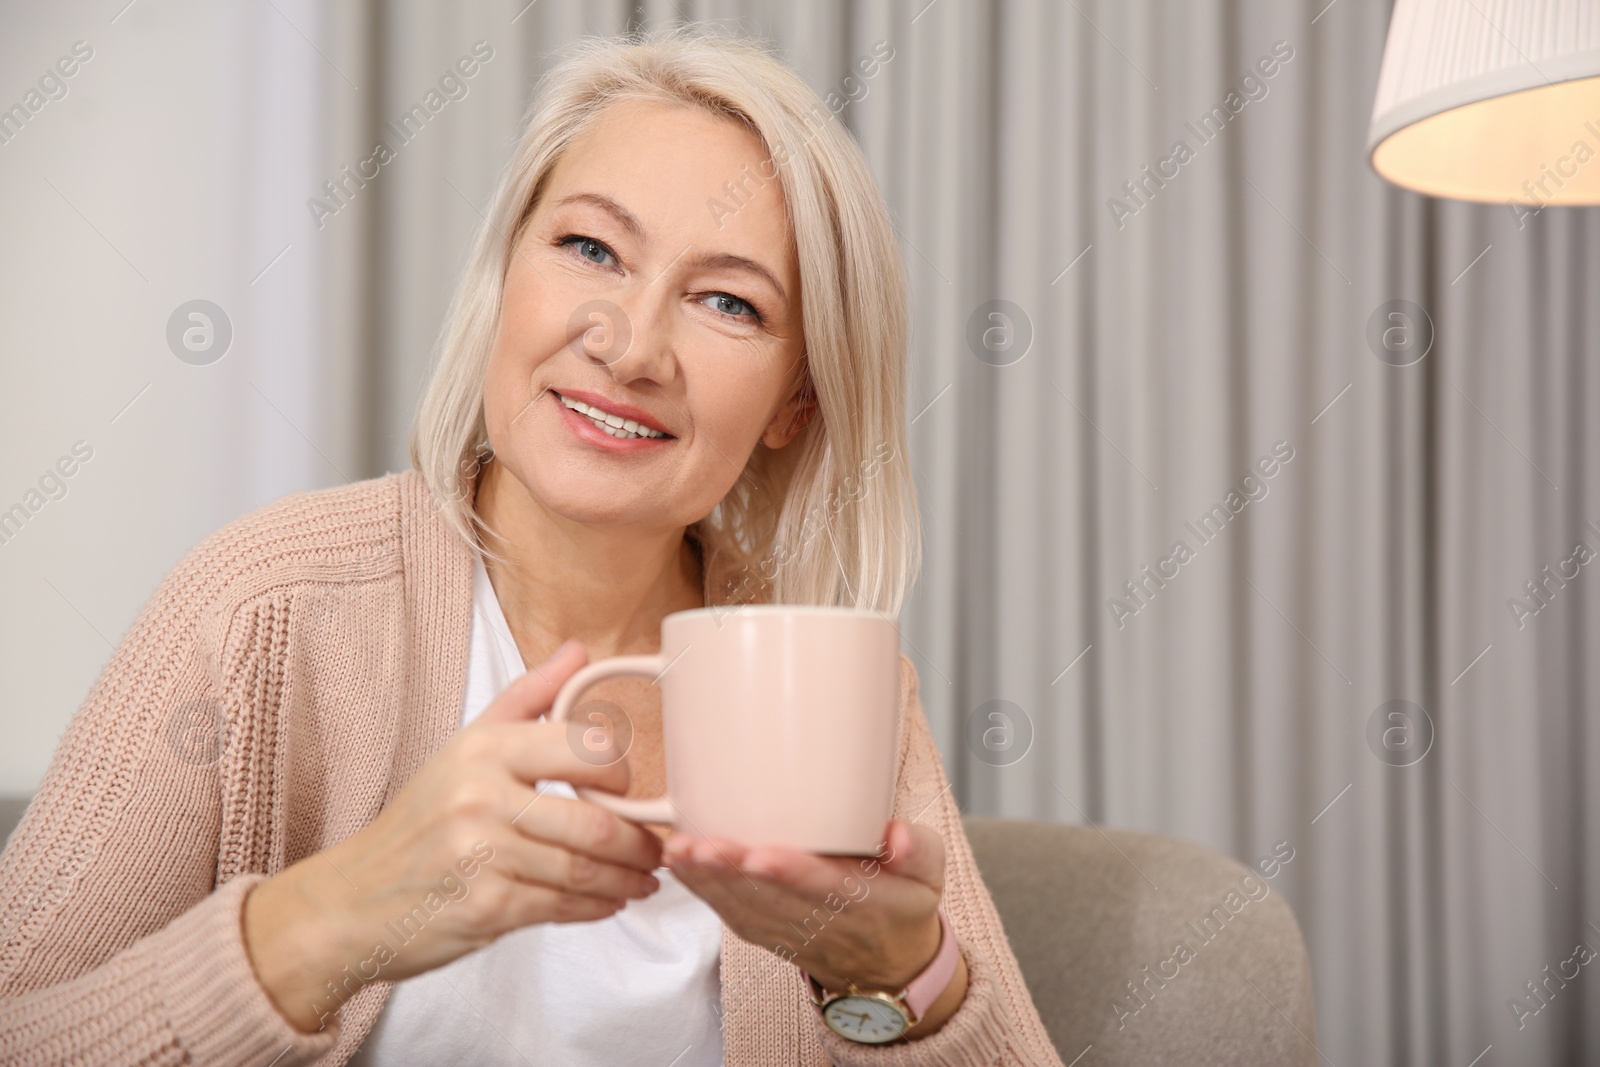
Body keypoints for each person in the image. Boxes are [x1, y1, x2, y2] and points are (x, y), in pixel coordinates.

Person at [0, 25, 1061, 1066]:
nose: (630, 345)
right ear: (508, 272)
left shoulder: (829, 691)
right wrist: (323, 918)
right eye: (589, 247)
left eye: (727, 301)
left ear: (795, 400)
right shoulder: (262, 608)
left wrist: (900, 981)